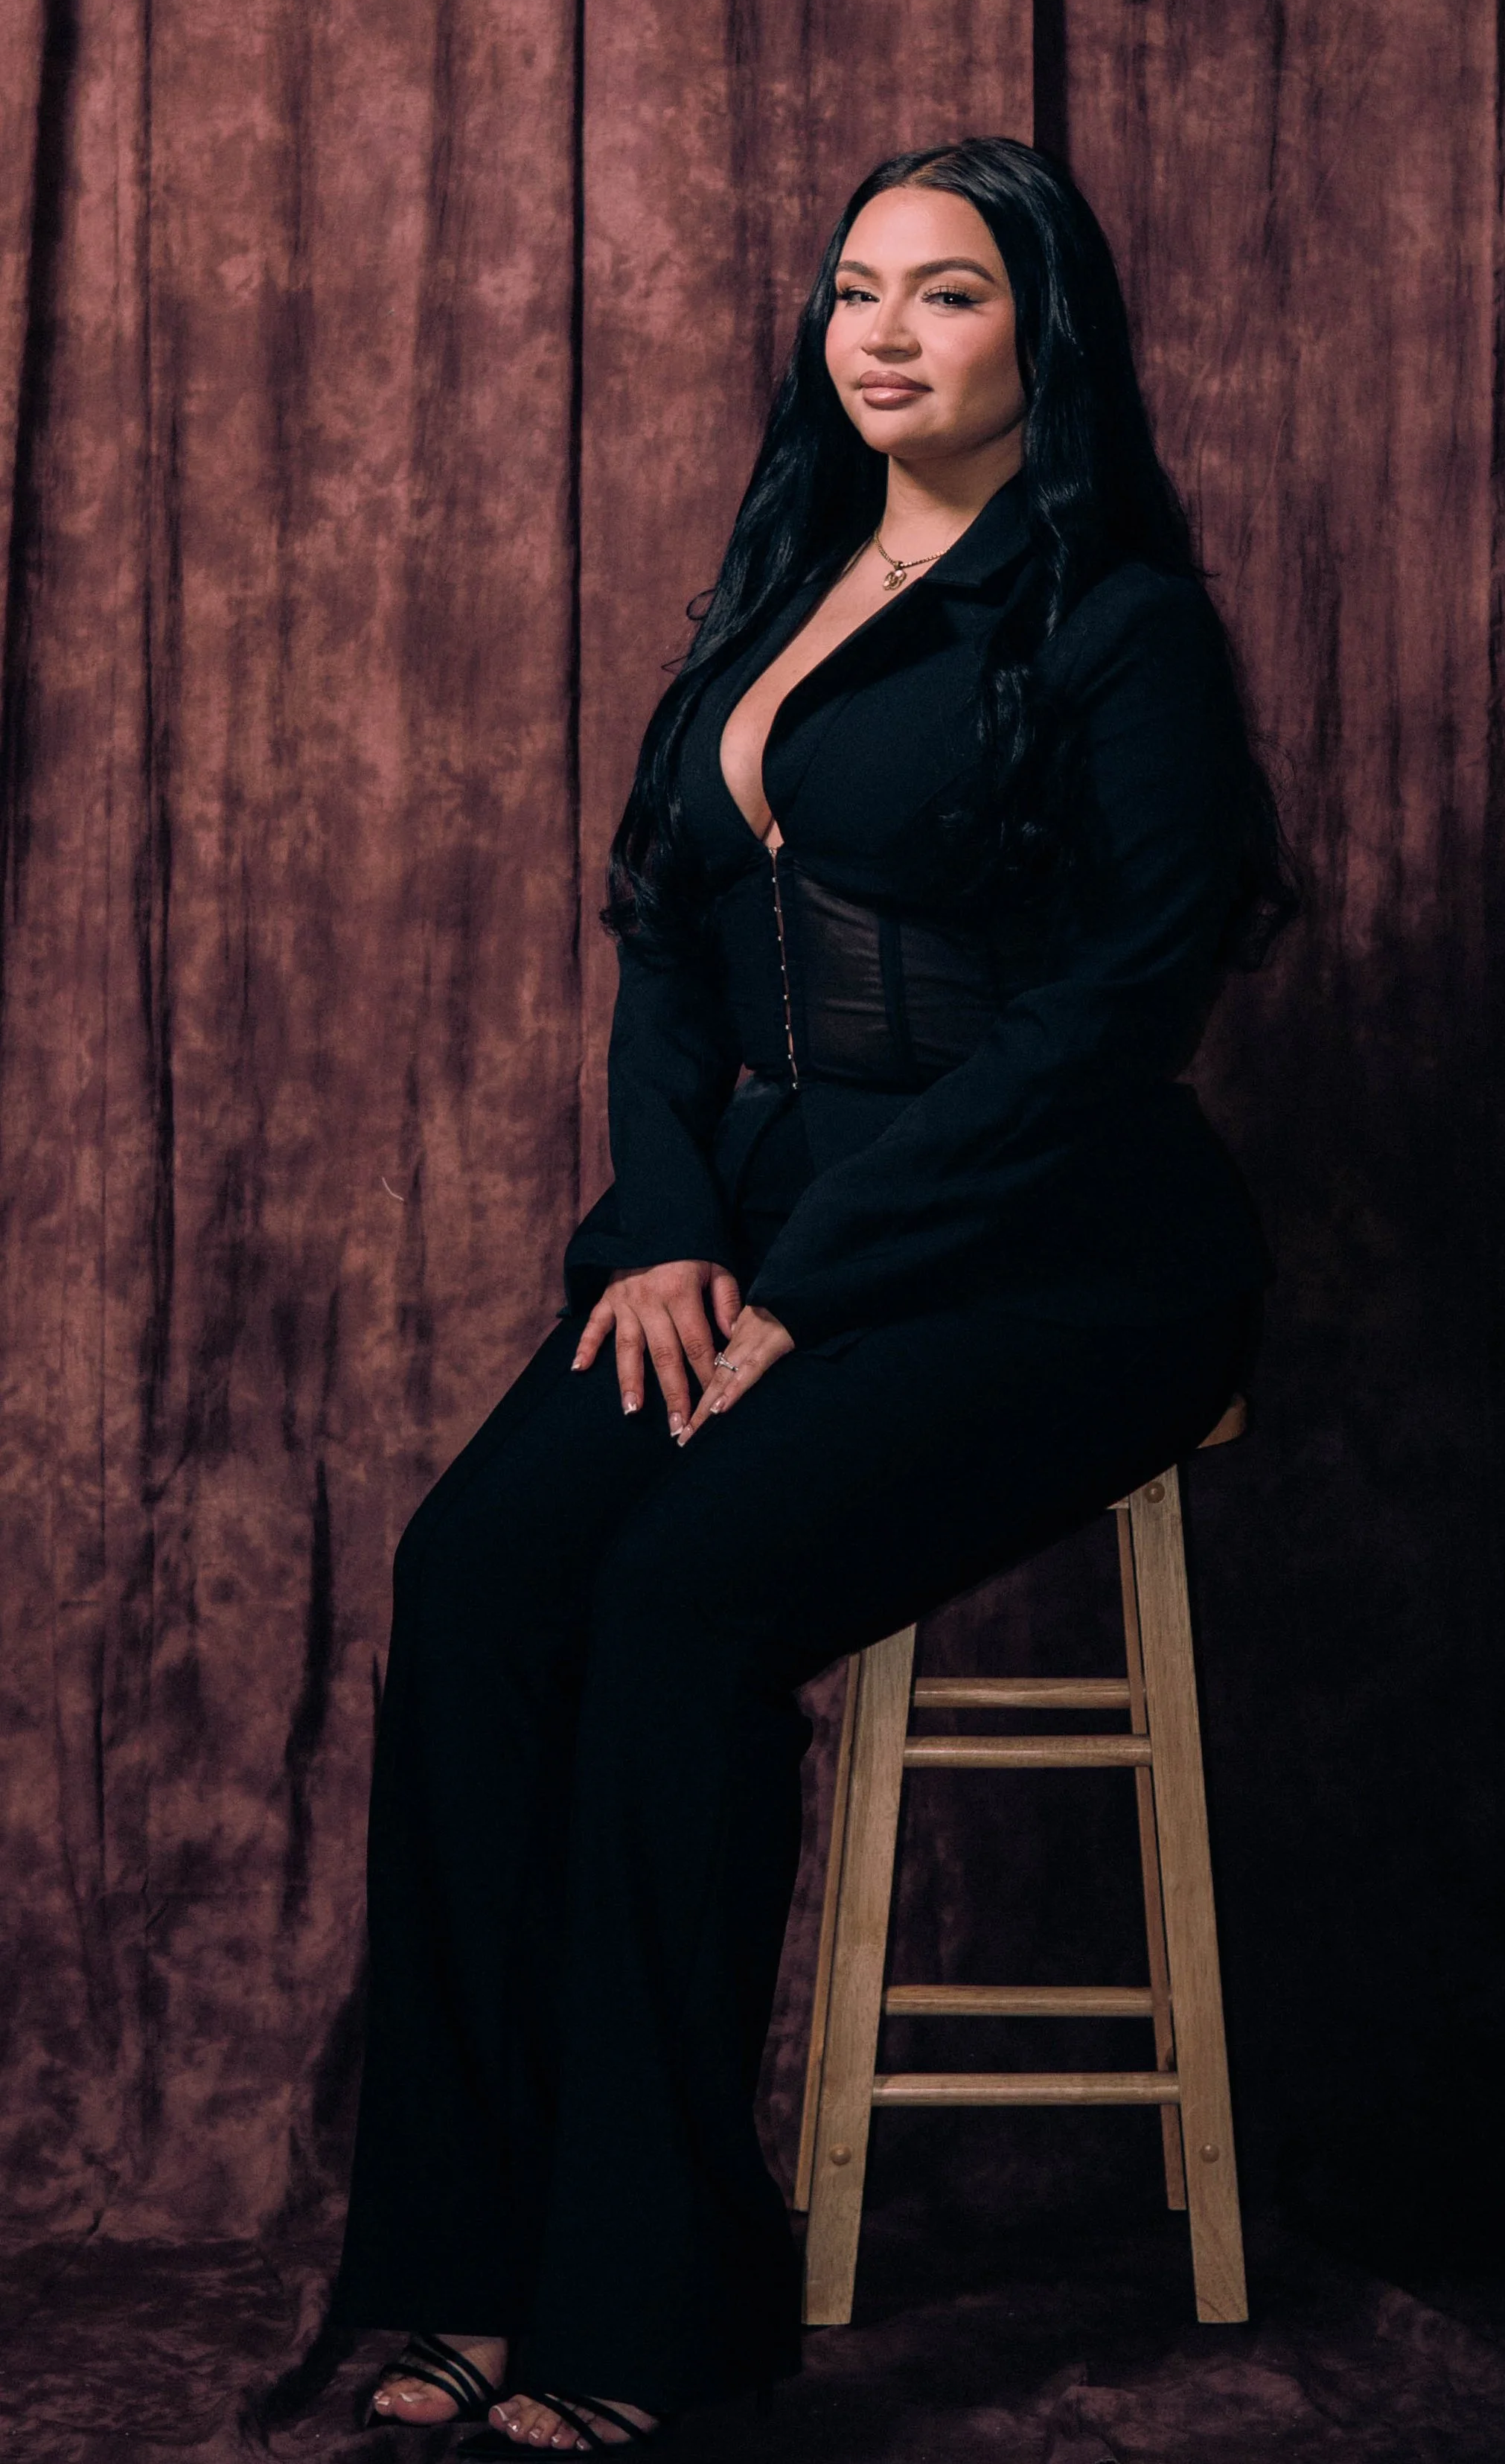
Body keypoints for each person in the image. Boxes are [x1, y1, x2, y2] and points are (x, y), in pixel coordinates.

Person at [327, 136, 1297, 2451]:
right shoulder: (786, 573)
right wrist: (664, 1229)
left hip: (1056, 1257)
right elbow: (668, 943)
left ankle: (640, 2310)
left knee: (676, 1594)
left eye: (942, 294)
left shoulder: (1116, 625)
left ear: (1037, 337)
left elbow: (1111, 1013)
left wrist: (814, 1279)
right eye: (853, 287)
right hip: (756, 1226)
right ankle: (457, 2260)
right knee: (474, 1575)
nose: (877, 331)